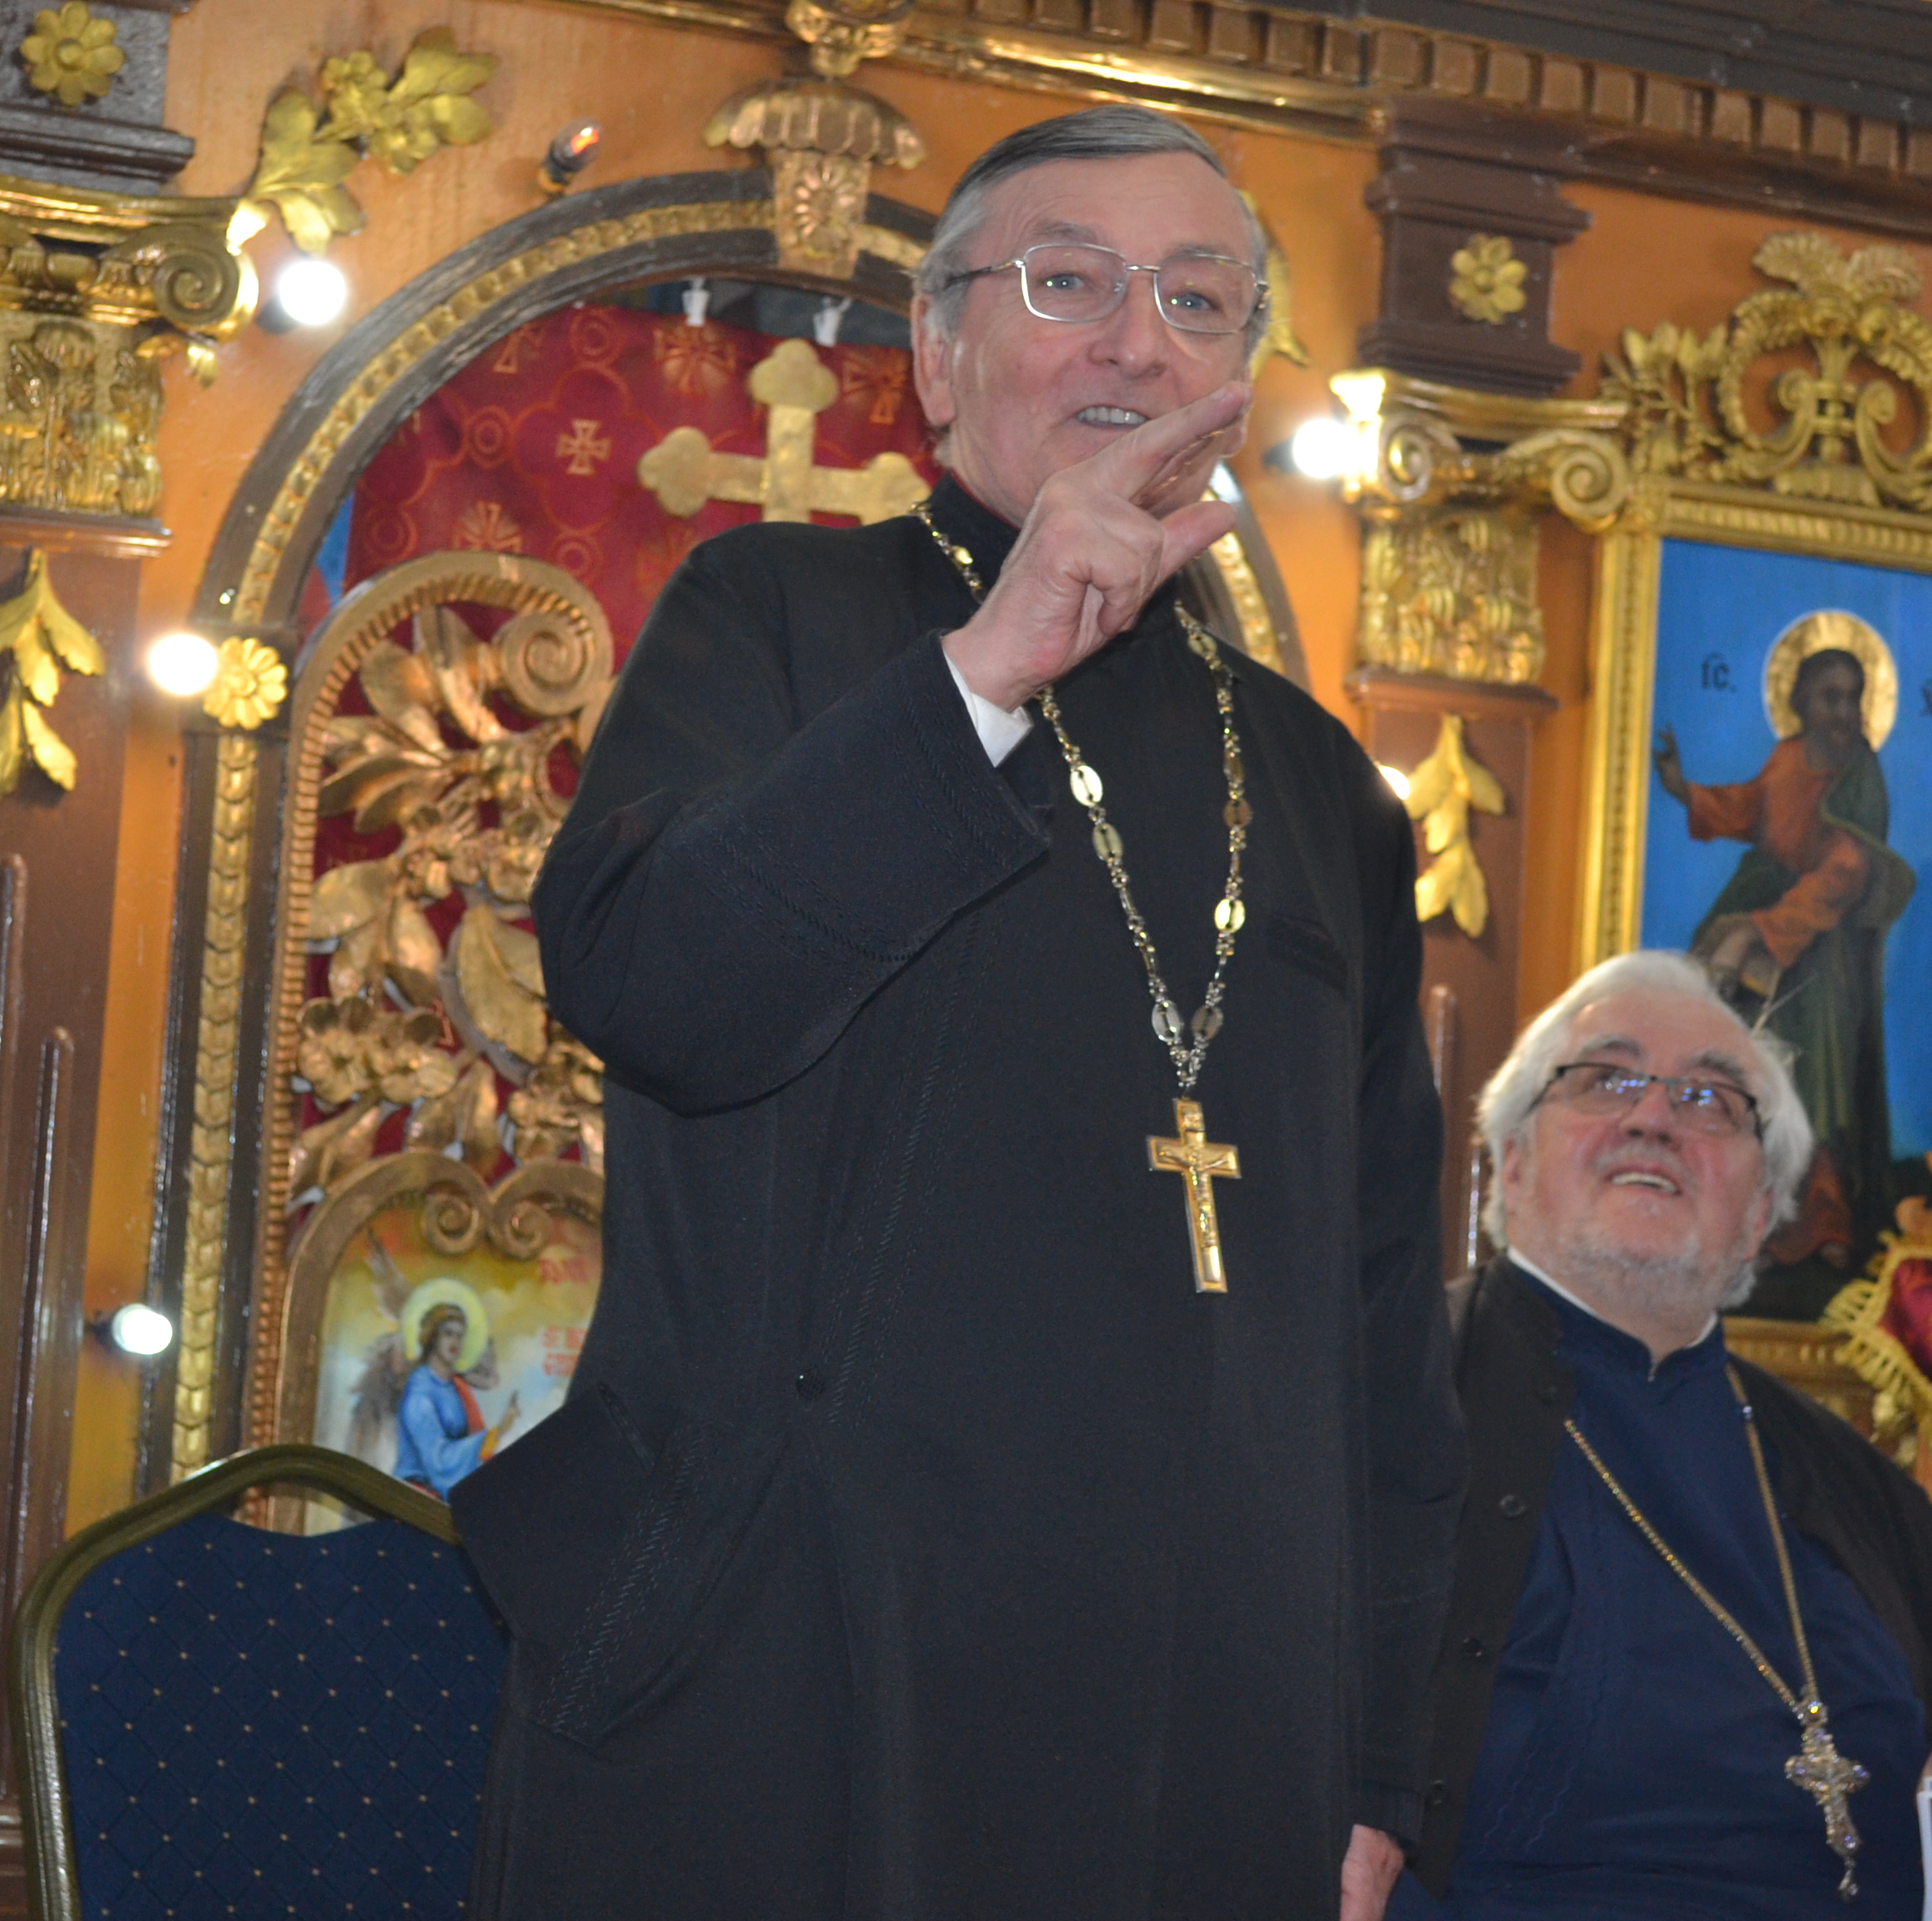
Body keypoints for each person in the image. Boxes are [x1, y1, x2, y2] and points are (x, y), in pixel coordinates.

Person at [449, 105, 1463, 1921]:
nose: (1137, 340)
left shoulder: (1324, 790)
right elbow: (656, 982)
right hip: (799, 1663)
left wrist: (1379, 1764)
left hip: (1216, 1715)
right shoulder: (774, 614)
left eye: (1198, 299)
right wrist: (993, 667)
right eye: (1069, 282)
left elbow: (1388, 1314)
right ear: (937, 351)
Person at [1403, 950, 1932, 1919]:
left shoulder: (1843, 1470)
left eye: (1711, 1100)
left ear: (1763, 1211)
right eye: (1605, 1079)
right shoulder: (1391, 1403)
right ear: (1509, 1163)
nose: (1652, 1118)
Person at [1653, 646, 1912, 1271]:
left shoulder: (1861, 775)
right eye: (1830, 696)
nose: (1843, 711)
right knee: (1752, 1073)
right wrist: (1686, 790)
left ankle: (1825, 1223)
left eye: (1853, 697)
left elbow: (1845, 871)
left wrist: (1764, 930)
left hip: (1823, 949)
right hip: (1767, 912)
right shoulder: (1789, 757)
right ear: (1799, 702)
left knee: (1816, 1080)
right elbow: (1753, 807)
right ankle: (1756, 1221)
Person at [390, 1301, 509, 1499]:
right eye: (448, 1333)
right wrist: (493, 1436)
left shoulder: (456, 1387)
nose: (455, 1341)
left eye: (460, 1336)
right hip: (416, 1497)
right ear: (432, 1338)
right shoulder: (419, 1392)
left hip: (448, 1494)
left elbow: (470, 1435)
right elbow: (438, 1461)